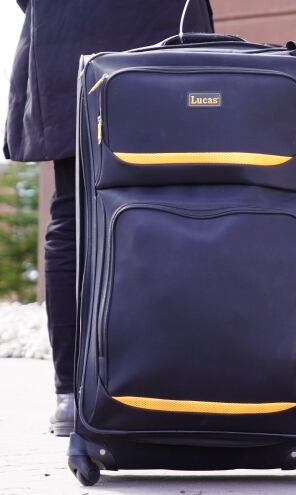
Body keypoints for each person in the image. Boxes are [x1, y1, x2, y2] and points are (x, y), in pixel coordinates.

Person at [4, 0, 214, 436]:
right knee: (180, 206)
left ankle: (71, 395)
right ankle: (181, 385)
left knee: (72, 208)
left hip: (69, 31)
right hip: (164, 33)